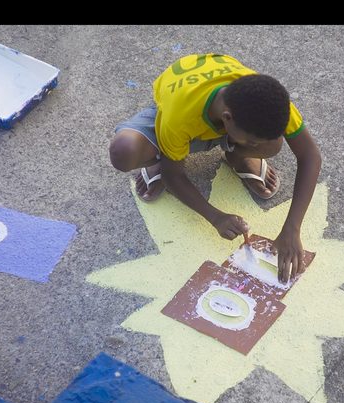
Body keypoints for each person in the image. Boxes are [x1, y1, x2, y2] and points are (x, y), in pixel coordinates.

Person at [109, 53, 321, 283]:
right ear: (227, 119)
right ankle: (161, 154)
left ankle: (237, 157)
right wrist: (216, 217)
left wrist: (293, 228)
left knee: (273, 142)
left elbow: (310, 156)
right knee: (124, 151)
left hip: (217, 118)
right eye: (251, 142)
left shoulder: (269, 101)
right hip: (180, 113)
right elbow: (174, 176)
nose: (256, 145)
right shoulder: (179, 115)